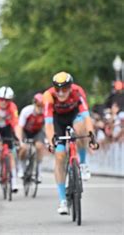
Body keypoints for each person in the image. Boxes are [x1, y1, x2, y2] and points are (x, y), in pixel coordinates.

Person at [43, 71, 98, 215]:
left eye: (65, 88)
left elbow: (87, 118)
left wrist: (92, 137)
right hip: (57, 121)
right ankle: (62, 200)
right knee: (60, 156)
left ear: (71, 87)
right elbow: (48, 124)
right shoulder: (48, 96)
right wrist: (50, 142)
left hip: (74, 116)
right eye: (57, 89)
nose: (61, 93)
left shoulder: (78, 92)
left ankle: (83, 163)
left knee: (80, 129)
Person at [0, 86, 20, 192]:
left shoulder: (13, 107)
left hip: (7, 128)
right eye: (1, 99)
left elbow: (16, 124)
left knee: (10, 154)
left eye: (7, 100)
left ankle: (14, 182)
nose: (4, 102)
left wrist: (19, 138)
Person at [15, 93, 46, 181]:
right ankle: (22, 168)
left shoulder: (45, 112)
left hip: (37, 132)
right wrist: (20, 141)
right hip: (25, 131)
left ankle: (38, 170)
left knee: (40, 147)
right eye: (38, 106)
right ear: (34, 104)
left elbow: (48, 126)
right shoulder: (26, 111)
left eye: (42, 106)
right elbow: (19, 127)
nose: (40, 108)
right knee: (24, 148)